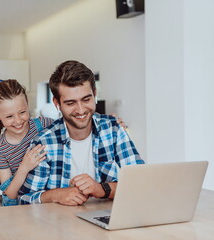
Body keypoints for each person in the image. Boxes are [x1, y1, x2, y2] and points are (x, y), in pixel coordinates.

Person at [19, 60, 144, 205]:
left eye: (86, 99)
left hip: (106, 219)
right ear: (57, 103)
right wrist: (56, 195)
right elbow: (24, 199)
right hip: (57, 224)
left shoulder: (114, 129)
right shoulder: (44, 142)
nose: (80, 110)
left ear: (94, 94)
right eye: (70, 103)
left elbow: (140, 183)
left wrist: (102, 189)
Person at [0, 79, 54, 206]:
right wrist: (24, 167)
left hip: (50, 200)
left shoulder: (44, 124)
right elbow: (10, 194)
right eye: (9, 116)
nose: (18, 121)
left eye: (22, 112)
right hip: (21, 207)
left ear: (27, 105)